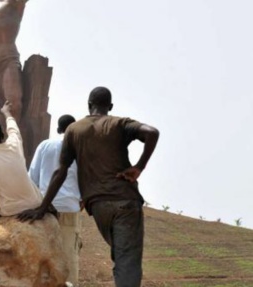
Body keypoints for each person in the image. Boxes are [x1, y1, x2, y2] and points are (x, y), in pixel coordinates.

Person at [19, 87, 160, 287]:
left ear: (88, 105)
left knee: (121, 257)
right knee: (127, 259)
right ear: (110, 106)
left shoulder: (74, 130)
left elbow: (60, 173)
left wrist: (42, 207)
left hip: (99, 206)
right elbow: (152, 133)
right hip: (124, 200)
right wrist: (139, 167)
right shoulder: (119, 124)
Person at [28, 114, 81, 286]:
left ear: (58, 129)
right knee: (68, 255)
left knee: (43, 256)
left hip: (45, 209)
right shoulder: (80, 149)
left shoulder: (45, 145)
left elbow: (32, 179)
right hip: (69, 208)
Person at [0, 101, 43, 229]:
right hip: (34, 203)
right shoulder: (14, 144)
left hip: (9, 210)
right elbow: (13, 129)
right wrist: (6, 112)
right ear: (2, 136)